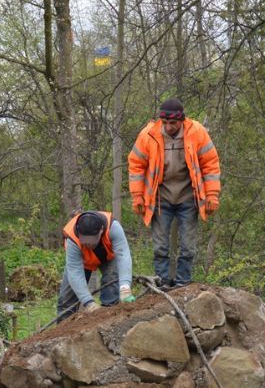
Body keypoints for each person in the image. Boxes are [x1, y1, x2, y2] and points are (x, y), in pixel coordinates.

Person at [127, 98, 221, 288]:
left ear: (181, 121)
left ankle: (182, 284)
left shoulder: (197, 132)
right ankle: (162, 283)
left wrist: (212, 195)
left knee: (188, 246)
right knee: (160, 246)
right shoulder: (148, 135)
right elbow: (136, 165)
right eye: (165, 122)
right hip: (160, 198)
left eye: (173, 123)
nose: (169, 127)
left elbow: (210, 164)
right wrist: (137, 196)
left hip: (188, 196)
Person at [57, 210, 134, 319]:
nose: (88, 245)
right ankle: (62, 330)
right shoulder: (72, 238)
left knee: (111, 286)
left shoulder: (113, 227)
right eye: (85, 241)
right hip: (82, 261)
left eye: (92, 241)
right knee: (66, 300)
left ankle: (109, 319)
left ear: (101, 230)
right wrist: (88, 302)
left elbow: (123, 255)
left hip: (108, 257)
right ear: (79, 233)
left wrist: (125, 286)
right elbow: (74, 271)